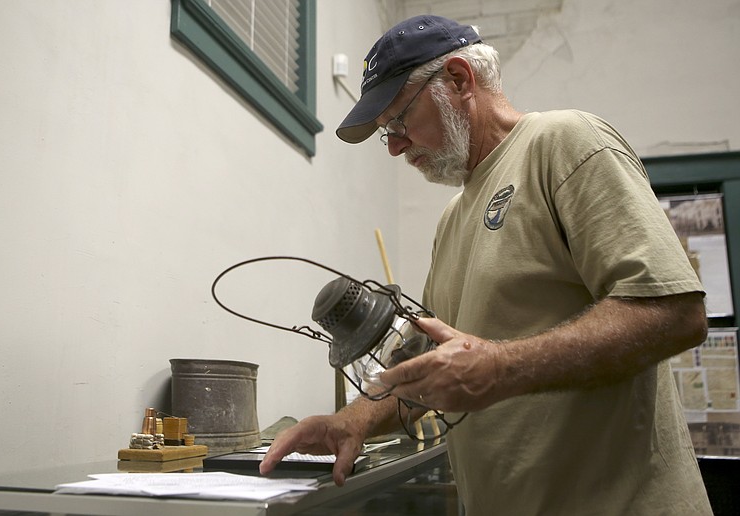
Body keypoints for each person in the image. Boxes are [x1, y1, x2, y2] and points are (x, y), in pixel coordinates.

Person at [260, 15, 713, 515]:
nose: (392, 145)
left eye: (399, 120)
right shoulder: (453, 218)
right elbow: (426, 363)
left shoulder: (565, 142)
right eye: (384, 132)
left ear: (458, 79)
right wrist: (356, 419)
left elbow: (674, 313)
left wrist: (499, 367)